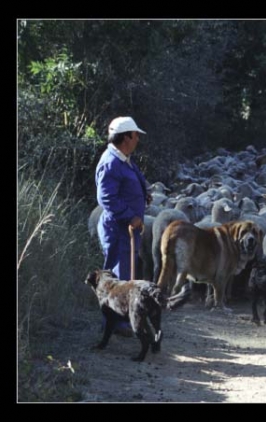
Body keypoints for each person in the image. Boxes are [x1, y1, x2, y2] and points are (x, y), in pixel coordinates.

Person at [95, 116, 152, 334]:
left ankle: (124, 319)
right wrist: (130, 216)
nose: (138, 138)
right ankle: (115, 323)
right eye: (135, 135)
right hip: (118, 229)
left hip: (126, 229)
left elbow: (135, 178)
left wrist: (144, 193)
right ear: (126, 137)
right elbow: (106, 197)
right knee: (117, 278)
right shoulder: (111, 162)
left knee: (125, 277)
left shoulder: (123, 158)